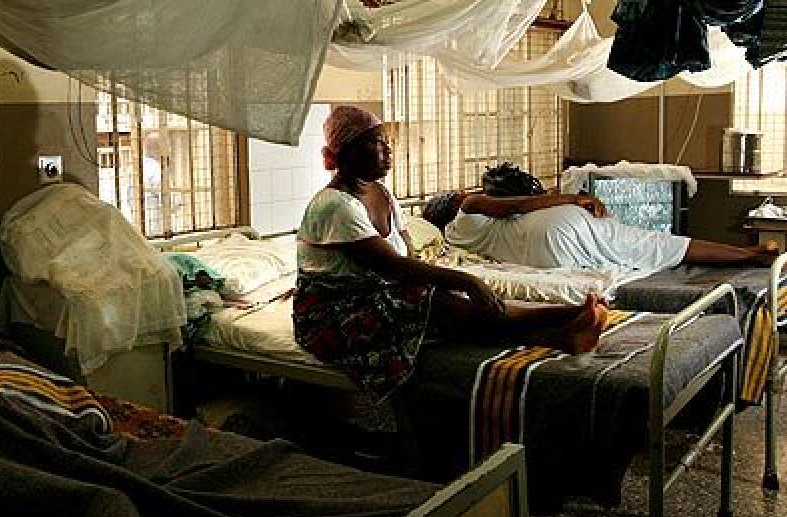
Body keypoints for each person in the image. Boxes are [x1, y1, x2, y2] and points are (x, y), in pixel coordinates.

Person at [293, 106, 608, 402]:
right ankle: (559, 331)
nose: (388, 150)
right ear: (347, 153)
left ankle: (569, 316)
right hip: (334, 313)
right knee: (439, 305)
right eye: (377, 143)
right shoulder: (334, 207)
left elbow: (410, 256)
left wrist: (439, 283)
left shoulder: (382, 193)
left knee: (439, 299)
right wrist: (467, 281)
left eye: (387, 141)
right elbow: (392, 266)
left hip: (379, 292)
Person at [422, 176, 779, 272]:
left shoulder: (453, 240)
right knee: (653, 242)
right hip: (557, 226)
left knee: (633, 253)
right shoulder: (468, 205)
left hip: (541, 260)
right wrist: (573, 198)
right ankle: (748, 254)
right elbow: (519, 204)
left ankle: (746, 255)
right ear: (452, 201)